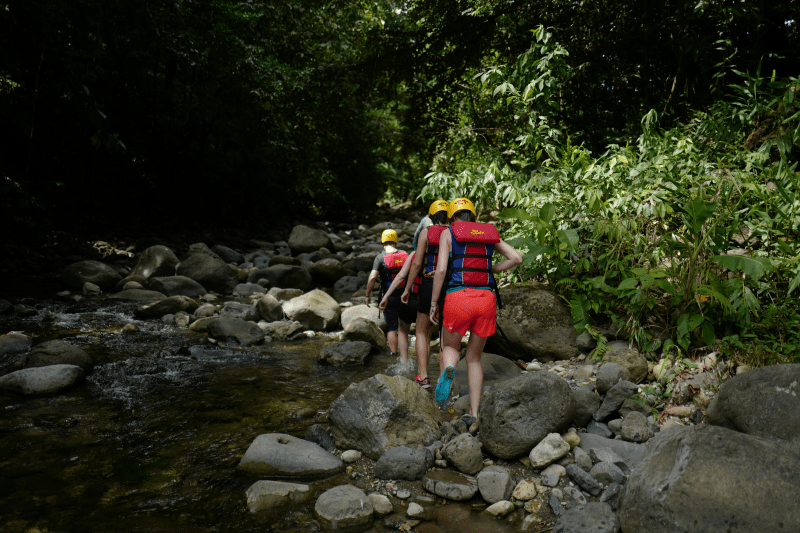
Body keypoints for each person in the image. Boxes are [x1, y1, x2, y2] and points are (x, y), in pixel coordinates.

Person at [430, 198, 522, 416]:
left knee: (451, 347)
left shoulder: (448, 233)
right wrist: (494, 270)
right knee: (473, 358)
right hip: (485, 299)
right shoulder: (487, 233)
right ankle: (474, 413)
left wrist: (434, 302)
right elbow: (516, 258)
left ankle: (450, 368)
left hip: (458, 297)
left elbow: (441, 271)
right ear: (473, 215)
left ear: (452, 217)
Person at [400, 199, 450, 391]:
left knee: (421, 330)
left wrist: (407, 288)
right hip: (450, 284)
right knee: (445, 333)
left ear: (431, 216)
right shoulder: (454, 233)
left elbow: (417, 263)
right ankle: (442, 379)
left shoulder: (426, 233)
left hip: (429, 282)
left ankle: (423, 377)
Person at [365, 228, 410, 362]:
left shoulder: (380, 257)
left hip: (388, 297)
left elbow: (373, 277)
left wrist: (367, 294)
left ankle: (393, 354)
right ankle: (405, 356)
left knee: (391, 327)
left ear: (383, 243)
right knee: (403, 328)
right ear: (395, 242)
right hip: (405, 296)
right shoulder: (405, 254)